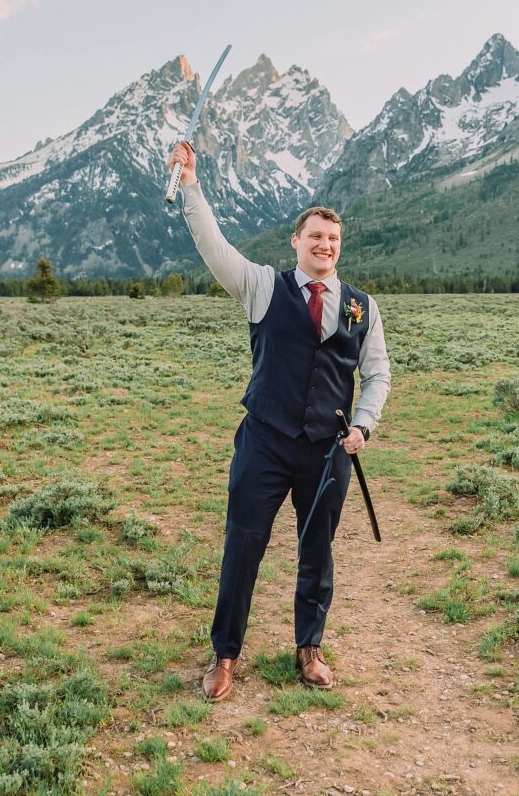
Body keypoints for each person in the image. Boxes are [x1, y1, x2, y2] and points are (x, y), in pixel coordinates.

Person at [167, 141, 391, 701]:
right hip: (264, 442)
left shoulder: (362, 306)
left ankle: (308, 647)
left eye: (334, 239)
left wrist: (363, 424)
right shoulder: (263, 286)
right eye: (316, 236)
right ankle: (225, 657)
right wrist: (191, 186)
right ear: (297, 242)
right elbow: (213, 246)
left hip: (327, 450)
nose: (325, 245)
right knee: (243, 545)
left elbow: (378, 373)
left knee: (319, 548)